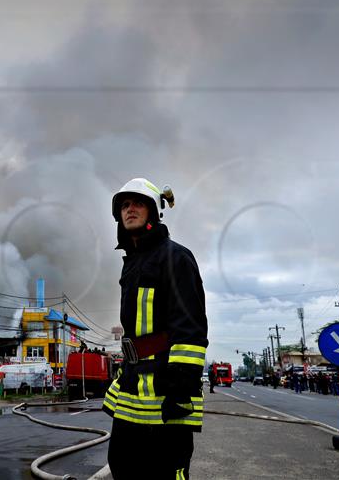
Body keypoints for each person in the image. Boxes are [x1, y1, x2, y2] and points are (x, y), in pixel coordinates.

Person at [103, 178, 208, 480]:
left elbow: (190, 328)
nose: (130, 209)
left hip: (166, 394)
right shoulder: (132, 263)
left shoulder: (175, 257)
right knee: (122, 467)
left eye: (137, 203)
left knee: (165, 473)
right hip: (133, 391)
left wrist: (180, 390)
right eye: (124, 205)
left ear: (153, 211)